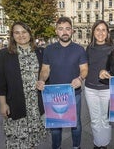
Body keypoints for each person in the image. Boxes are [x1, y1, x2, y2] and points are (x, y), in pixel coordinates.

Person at [0, 22, 47, 148]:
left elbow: (47, 74)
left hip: (36, 106)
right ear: (12, 35)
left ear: (30, 34)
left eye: (24, 32)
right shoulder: (4, 54)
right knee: (17, 142)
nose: (21, 35)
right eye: (17, 32)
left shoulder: (41, 52)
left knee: (32, 141)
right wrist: (3, 104)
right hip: (16, 104)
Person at [36, 16, 88, 149]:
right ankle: (56, 146)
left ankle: (76, 146)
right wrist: (41, 80)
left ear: (72, 31)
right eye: (61, 29)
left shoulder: (79, 49)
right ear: (56, 31)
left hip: (73, 93)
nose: (64, 32)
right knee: (55, 125)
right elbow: (45, 70)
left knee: (75, 123)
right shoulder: (49, 49)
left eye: (67, 29)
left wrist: (80, 79)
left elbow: (84, 69)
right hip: (54, 94)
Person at [85, 20, 114, 149]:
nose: (100, 33)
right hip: (90, 89)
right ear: (93, 32)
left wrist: (108, 72)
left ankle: (105, 144)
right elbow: (85, 67)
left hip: (107, 89)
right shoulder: (89, 48)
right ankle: (98, 143)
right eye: (98, 30)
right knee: (95, 120)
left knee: (106, 120)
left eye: (103, 30)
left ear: (107, 33)